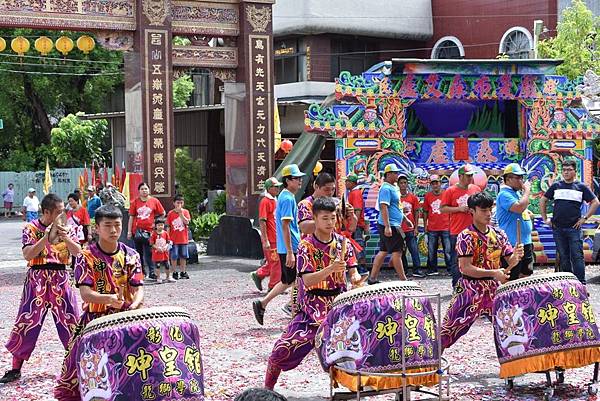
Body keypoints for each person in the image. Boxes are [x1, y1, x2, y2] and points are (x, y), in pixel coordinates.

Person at [264, 197, 362, 390]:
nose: (330, 223)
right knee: (280, 351)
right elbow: (307, 280)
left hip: (338, 311)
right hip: (311, 310)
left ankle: (356, 388)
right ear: (314, 219)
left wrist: (357, 279)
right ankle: (267, 390)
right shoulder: (305, 247)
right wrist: (331, 269)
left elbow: (353, 271)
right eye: (325, 218)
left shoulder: (343, 244)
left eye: (333, 218)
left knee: (357, 351)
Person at [54, 205, 144, 400]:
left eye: (117, 225)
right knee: (82, 374)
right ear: (96, 227)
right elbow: (85, 294)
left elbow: (138, 287)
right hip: (95, 321)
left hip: (127, 318)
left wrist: (134, 306)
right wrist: (109, 299)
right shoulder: (86, 256)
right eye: (108, 225)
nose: (113, 230)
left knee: (134, 369)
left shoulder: (131, 254)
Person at [1, 194, 81, 384]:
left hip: (61, 277)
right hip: (36, 278)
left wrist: (66, 238)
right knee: (27, 321)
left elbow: (78, 252)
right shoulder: (31, 228)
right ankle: (15, 368)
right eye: (59, 212)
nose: (63, 215)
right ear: (47, 212)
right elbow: (27, 255)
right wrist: (45, 238)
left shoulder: (69, 228)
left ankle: (79, 364)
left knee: (72, 321)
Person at [440, 192, 524, 351]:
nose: (488, 214)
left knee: (510, 328)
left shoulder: (499, 234)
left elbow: (510, 261)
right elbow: (465, 268)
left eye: (490, 210)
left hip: (494, 289)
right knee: (447, 330)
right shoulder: (465, 236)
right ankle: (429, 364)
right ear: (472, 211)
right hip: (468, 288)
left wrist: (516, 255)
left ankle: (512, 368)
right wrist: (494, 273)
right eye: (483, 210)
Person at [252, 164, 305, 325]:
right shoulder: (287, 198)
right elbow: (285, 225)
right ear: (288, 181)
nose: (300, 181)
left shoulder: (283, 196)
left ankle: (267, 304)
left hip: (287, 246)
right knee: (296, 279)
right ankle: (291, 307)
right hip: (290, 246)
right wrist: (290, 251)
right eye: (297, 179)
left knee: (289, 280)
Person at [540, 159, 599, 284]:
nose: (566, 172)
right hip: (557, 228)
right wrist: (545, 218)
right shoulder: (556, 186)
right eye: (564, 170)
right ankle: (567, 284)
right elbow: (543, 200)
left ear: (575, 171)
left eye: (569, 170)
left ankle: (581, 284)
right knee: (564, 257)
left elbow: (595, 202)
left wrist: (584, 218)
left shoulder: (581, 187)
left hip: (574, 228)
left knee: (577, 256)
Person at [368, 164, 413, 284]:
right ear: (388, 174)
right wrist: (387, 226)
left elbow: (396, 207)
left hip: (393, 223)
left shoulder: (393, 188)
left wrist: (405, 219)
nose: (397, 175)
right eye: (395, 173)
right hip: (391, 225)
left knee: (383, 251)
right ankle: (404, 280)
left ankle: (372, 278)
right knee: (397, 252)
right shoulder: (386, 188)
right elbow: (384, 207)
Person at [440, 164, 481, 287]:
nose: (470, 178)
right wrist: (459, 209)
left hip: (475, 230)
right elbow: (442, 209)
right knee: (457, 260)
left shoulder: (476, 189)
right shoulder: (450, 191)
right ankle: (457, 286)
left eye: (471, 176)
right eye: (468, 176)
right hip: (457, 231)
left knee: (475, 258)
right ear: (460, 176)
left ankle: (473, 285)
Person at [496, 163, 534, 281]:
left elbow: (522, 209)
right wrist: (527, 191)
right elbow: (518, 207)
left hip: (526, 241)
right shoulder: (504, 194)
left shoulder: (516, 193)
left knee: (526, 274)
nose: (521, 181)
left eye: (522, 178)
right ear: (508, 179)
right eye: (518, 178)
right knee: (512, 276)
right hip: (512, 243)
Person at [127, 182, 165, 280]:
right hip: (137, 231)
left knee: (149, 252)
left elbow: (162, 213)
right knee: (139, 253)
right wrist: (129, 231)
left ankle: (152, 271)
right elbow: (131, 217)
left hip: (150, 231)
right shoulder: (135, 202)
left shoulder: (154, 201)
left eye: (146, 189)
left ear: (149, 190)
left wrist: (156, 224)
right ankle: (141, 272)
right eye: (142, 189)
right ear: (139, 191)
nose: (144, 191)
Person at [251, 177, 283, 293]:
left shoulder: (275, 199)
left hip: (277, 237)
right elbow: (262, 221)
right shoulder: (265, 201)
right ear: (269, 188)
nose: (278, 189)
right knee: (275, 262)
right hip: (271, 237)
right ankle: (273, 286)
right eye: (276, 187)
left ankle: (259, 274)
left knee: (275, 261)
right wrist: (265, 240)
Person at [422, 175, 451, 276]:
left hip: (446, 227)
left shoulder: (446, 194)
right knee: (431, 250)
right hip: (432, 228)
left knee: (448, 250)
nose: (435, 185)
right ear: (431, 185)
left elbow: (450, 209)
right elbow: (425, 211)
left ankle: (450, 269)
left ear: (440, 183)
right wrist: (425, 225)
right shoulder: (427, 196)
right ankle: (432, 269)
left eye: (437, 183)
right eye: (433, 183)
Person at [398, 174, 426, 278]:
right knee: (401, 251)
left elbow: (416, 212)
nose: (403, 185)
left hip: (410, 229)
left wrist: (416, 227)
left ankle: (417, 270)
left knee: (414, 250)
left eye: (405, 183)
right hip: (399, 229)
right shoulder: (396, 198)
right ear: (398, 185)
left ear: (407, 184)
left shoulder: (413, 198)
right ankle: (404, 270)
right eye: (401, 183)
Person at [346, 174, 370, 274]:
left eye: (347, 181)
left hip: (357, 225)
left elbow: (357, 209)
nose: (345, 183)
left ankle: (362, 268)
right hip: (356, 224)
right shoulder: (353, 192)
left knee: (358, 246)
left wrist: (354, 224)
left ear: (352, 183)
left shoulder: (355, 193)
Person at [167, 194, 191, 280]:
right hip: (174, 239)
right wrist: (168, 238)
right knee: (174, 256)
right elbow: (168, 226)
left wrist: (181, 214)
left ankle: (183, 271)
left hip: (183, 238)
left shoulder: (186, 212)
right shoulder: (170, 213)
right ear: (174, 203)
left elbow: (187, 222)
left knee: (184, 255)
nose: (179, 204)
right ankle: (174, 271)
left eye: (181, 202)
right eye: (177, 202)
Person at [150, 216, 174, 283]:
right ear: (156, 226)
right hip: (157, 252)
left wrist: (166, 246)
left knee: (167, 264)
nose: (160, 226)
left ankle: (168, 276)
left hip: (165, 252)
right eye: (158, 225)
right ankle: (158, 277)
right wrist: (157, 247)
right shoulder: (153, 234)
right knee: (157, 265)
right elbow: (152, 243)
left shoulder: (165, 233)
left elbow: (168, 241)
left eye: (162, 225)